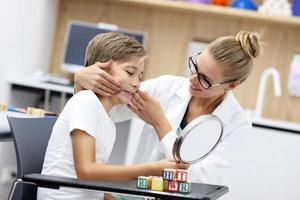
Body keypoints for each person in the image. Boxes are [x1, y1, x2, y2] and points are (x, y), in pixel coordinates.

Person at [74, 30, 263, 184]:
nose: (192, 79)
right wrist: (81, 83)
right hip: (133, 193)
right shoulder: (166, 87)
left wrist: (160, 123)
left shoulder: (237, 123)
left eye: (205, 79)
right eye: (194, 67)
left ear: (231, 85)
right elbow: (102, 111)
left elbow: (201, 177)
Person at [37, 32, 186, 200]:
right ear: (101, 70)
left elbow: (97, 181)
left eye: (140, 76)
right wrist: (151, 169)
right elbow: (86, 171)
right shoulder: (85, 102)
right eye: (130, 72)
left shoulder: (106, 118)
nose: (137, 83)